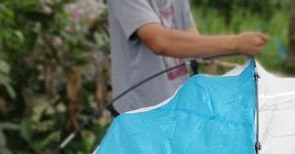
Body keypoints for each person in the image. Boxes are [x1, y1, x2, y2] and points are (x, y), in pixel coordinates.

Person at [107, 0, 268, 113]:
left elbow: (195, 44)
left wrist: (245, 46)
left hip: (176, 111)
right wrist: (236, 43)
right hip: (139, 116)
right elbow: (159, 41)